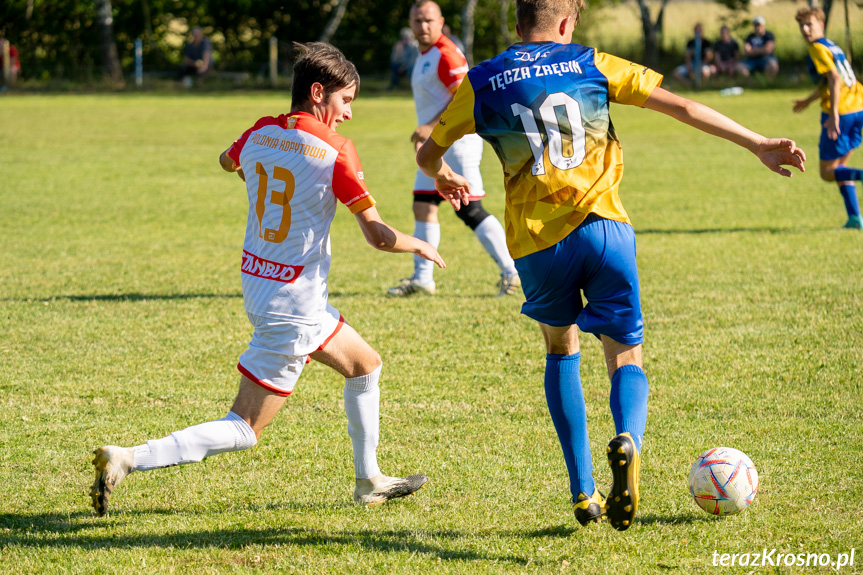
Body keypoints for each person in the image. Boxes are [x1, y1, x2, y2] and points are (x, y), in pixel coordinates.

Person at [417, 0, 805, 531]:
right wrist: (758, 141)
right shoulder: (591, 62)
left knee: (561, 348)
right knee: (625, 355)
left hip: (537, 245)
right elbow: (683, 108)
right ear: (568, 21)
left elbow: (427, 150)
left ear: (517, 25)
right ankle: (629, 440)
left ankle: (583, 491)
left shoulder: (483, 80)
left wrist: (440, 175)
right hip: (605, 230)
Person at [90, 42, 439, 516]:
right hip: (293, 304)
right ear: (318, 94)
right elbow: (377, 236)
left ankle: (369, 480)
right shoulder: (335, 149)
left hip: (266, 287)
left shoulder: (261, 130)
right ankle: (129, 458)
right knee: (244, 428)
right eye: (346, 101)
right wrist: (417, 244)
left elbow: (226, 161)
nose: (349, 114)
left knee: (365, 365)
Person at [387, 0, 521, 298]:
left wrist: (430, 125)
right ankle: (423, 279)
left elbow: (464, 96)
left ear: (441, 21)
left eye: (429, 20)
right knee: (423, 205)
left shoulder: (445, 54)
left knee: (469, 208)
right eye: (417, 20)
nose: (423, 26)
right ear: (410, 23)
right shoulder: (424, 55)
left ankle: (513, 272)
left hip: (458, 143)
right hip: (436, 146)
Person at [792, 7, 863, 229]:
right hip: (858, 106)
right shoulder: (831, 45)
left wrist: (832, 115)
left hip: (841, 112)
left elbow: (833, 77)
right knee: (841, 166)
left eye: (809, 24)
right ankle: (854, 218)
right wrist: (810, 100)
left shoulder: (815, 48)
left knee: (827, 172)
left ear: (820, 25)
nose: (805, 29)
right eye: (801, 25)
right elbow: (836, 81)